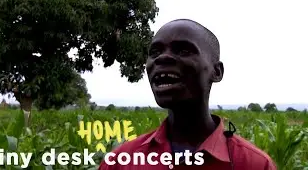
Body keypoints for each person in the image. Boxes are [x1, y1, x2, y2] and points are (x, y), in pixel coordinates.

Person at [98, 19, 277, 170]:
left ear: (217, 71)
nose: (162, 58)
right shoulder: (120, 162)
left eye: (183, 50)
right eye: (155, 52)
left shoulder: (253, 164)